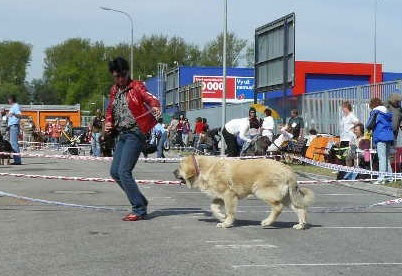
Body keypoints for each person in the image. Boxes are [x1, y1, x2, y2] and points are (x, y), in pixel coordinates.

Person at [105, 57, 161, 221]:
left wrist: (155, 105)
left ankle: (139, 209)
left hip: (136, 133)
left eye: (122, 75)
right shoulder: (114, 90)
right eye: (116, 76)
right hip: (122, 133)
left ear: (127, 73)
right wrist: (109, 122)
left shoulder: (137, 86)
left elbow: (149, 97)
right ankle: (140, 200)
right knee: (115, 172)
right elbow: (110, 109)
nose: (120, 79)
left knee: (124, 171)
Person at [366, 98, 394, 184]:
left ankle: (381, 178)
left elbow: (369, 124)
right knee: (386, 158)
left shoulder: (375, 112)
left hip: (380, 136)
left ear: (372, 105)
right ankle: (390, 177)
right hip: (389, 136)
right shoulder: (387, 112)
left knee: (381, 158)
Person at [7, 95, 22, 165]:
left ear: (11, 99)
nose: (8, 101)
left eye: (9, 99)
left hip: (14, 126)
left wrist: (13, 114)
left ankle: (17, 160)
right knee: (12, 143)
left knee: (14, 143)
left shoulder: (16, 106)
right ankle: (16, 159)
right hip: (12, 126)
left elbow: (20, 115)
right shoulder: (13, 107)